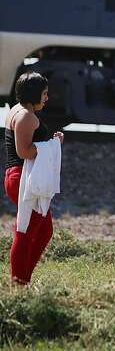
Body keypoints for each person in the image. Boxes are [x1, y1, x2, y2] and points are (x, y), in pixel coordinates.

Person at [4, 72, 63, 284]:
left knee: (44, 230)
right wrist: (53, 146)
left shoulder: (16, 110)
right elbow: (24, 152)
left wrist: (52, 143)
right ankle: (19, 282)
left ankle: (23, 278)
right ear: (34, 93)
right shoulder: (26, 116)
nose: (47, 98)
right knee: (25, 231)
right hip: (23, 177)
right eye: (44, 94)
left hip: (18, 176)